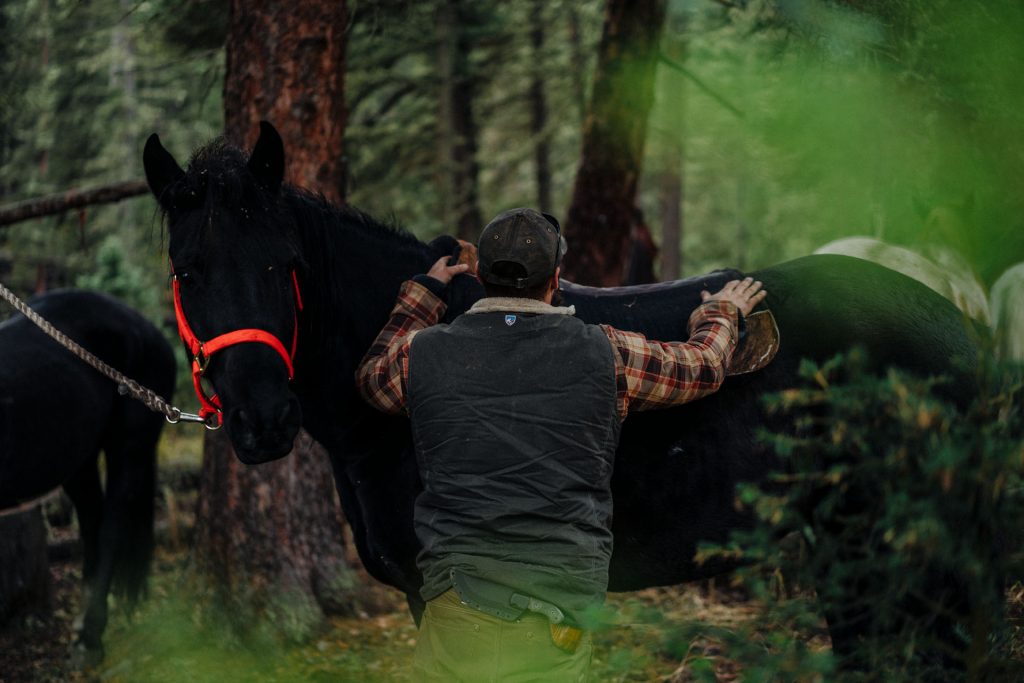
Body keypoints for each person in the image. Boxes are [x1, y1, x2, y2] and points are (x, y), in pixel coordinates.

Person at [356, 208, 766, 682]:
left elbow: (371, 380)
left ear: (482, 276)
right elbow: (704, 366)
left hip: (455, 605)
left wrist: (423, 295)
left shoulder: (421, 354)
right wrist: (721, 312)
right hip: (555, 612)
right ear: (556, 278)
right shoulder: (607, 353)